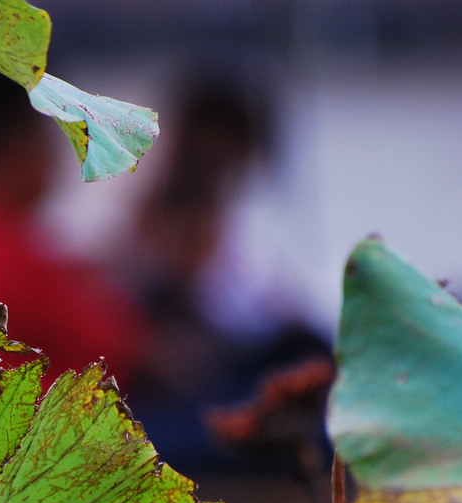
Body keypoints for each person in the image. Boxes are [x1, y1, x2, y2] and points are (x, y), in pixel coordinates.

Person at [121, 76, 331, 476]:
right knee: (307, 354)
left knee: (308, 346)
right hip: (196, 380)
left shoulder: (221, 212)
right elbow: (153, 325)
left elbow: (244, 305)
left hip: (224, 358)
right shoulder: (159, 215)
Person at [0, 69, 147, 389]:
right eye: (52, 134)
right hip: (42, 432)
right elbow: (122, 344)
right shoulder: (1, 255)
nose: (60, 154)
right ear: (14, 145)